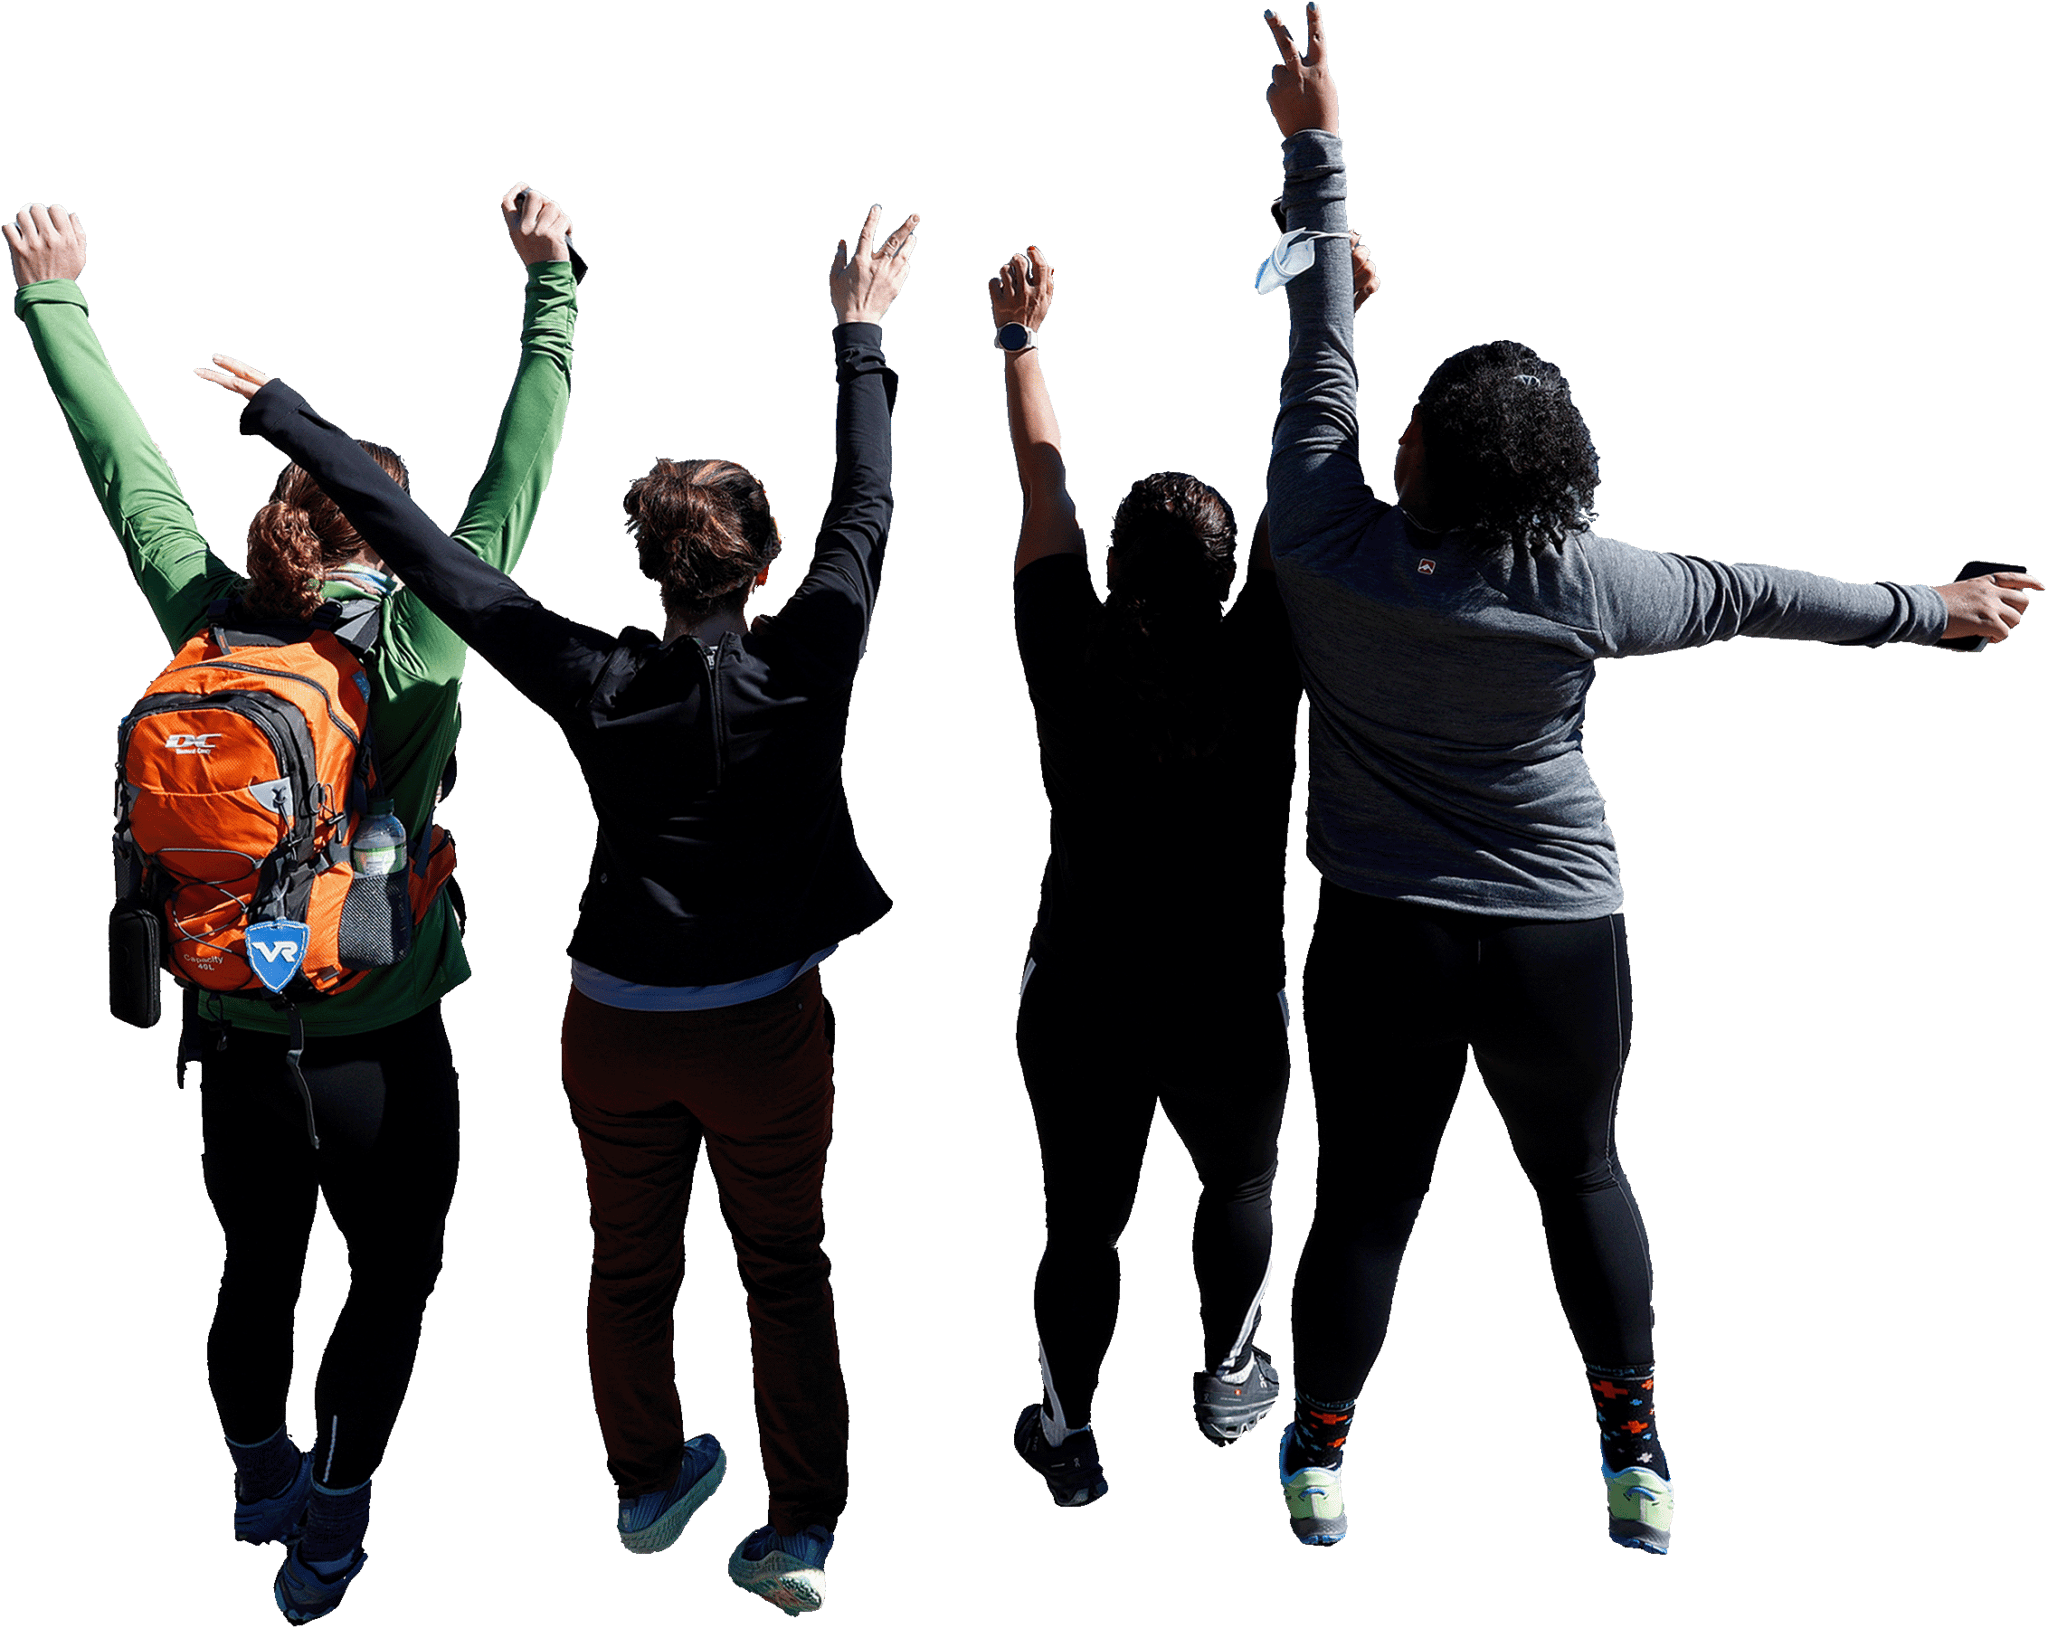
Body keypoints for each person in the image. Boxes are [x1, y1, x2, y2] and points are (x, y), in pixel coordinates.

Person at [1257, 4, 2037, 1558]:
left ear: (1408, 453)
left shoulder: (1321, 533)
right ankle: (1636, 1457)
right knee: (1583, 1174)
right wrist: (1934, 612)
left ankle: (1321, 1465)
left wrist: (1315, 144)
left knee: (1365, 1205)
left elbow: (1320, 345)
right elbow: (1761, 593)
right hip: (1558, 933)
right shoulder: (1589, 582)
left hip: (1380, 932)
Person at [194, 202, 920, 1618]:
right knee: (787, 1267)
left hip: (619, 1032)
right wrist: (859, 329)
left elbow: (428, 557)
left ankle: (646, 1482)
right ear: (762, 568)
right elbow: (871, 506)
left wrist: (292, 421)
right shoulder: (818, 649)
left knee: (626, 1261)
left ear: (656, 572)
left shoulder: (594, 681)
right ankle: (803, 1532)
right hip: (768, 1034)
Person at [8, 186, 580, 1620]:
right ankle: (327, 1528)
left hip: (241, 1051)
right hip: (385, 1049)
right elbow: (518, 474)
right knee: (391, 1284)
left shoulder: (208, 628)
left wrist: (56, 297)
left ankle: (258, 1470)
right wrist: (553, 287)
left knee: (255, 1269)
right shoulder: (430, 647)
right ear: (389, 538)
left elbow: (127, 475)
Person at [991, 232, 1365, 1508]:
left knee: (1079, 1227)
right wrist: (1326, 318)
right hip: (1225, 1004)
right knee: (1241, 1184)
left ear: (1110, 569)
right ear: (1227, 579)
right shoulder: (1269, 648)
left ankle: (1067, 1428)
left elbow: (1042, 482)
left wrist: (1020, 338)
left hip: (1079, 996)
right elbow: (1299, 484)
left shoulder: (1061, 639)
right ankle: (1224, 1379)